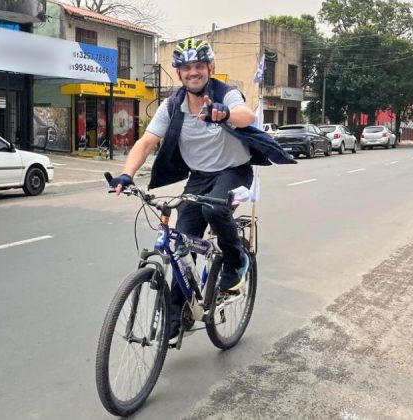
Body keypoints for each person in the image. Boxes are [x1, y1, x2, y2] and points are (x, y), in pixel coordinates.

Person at [108, 38, 295, 340]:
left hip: (233, 170)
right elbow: (146, 142)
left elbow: (246, 116)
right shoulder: (172, 105)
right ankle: (176, 314)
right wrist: (126, 174)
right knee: (182, 240)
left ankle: (236, 261)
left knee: (215, 208)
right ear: (179, 73)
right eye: (186, 68)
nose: (193, 72)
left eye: (199, 66)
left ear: (210, 68)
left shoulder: (225, 93)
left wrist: (223, 113)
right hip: (199, 176)